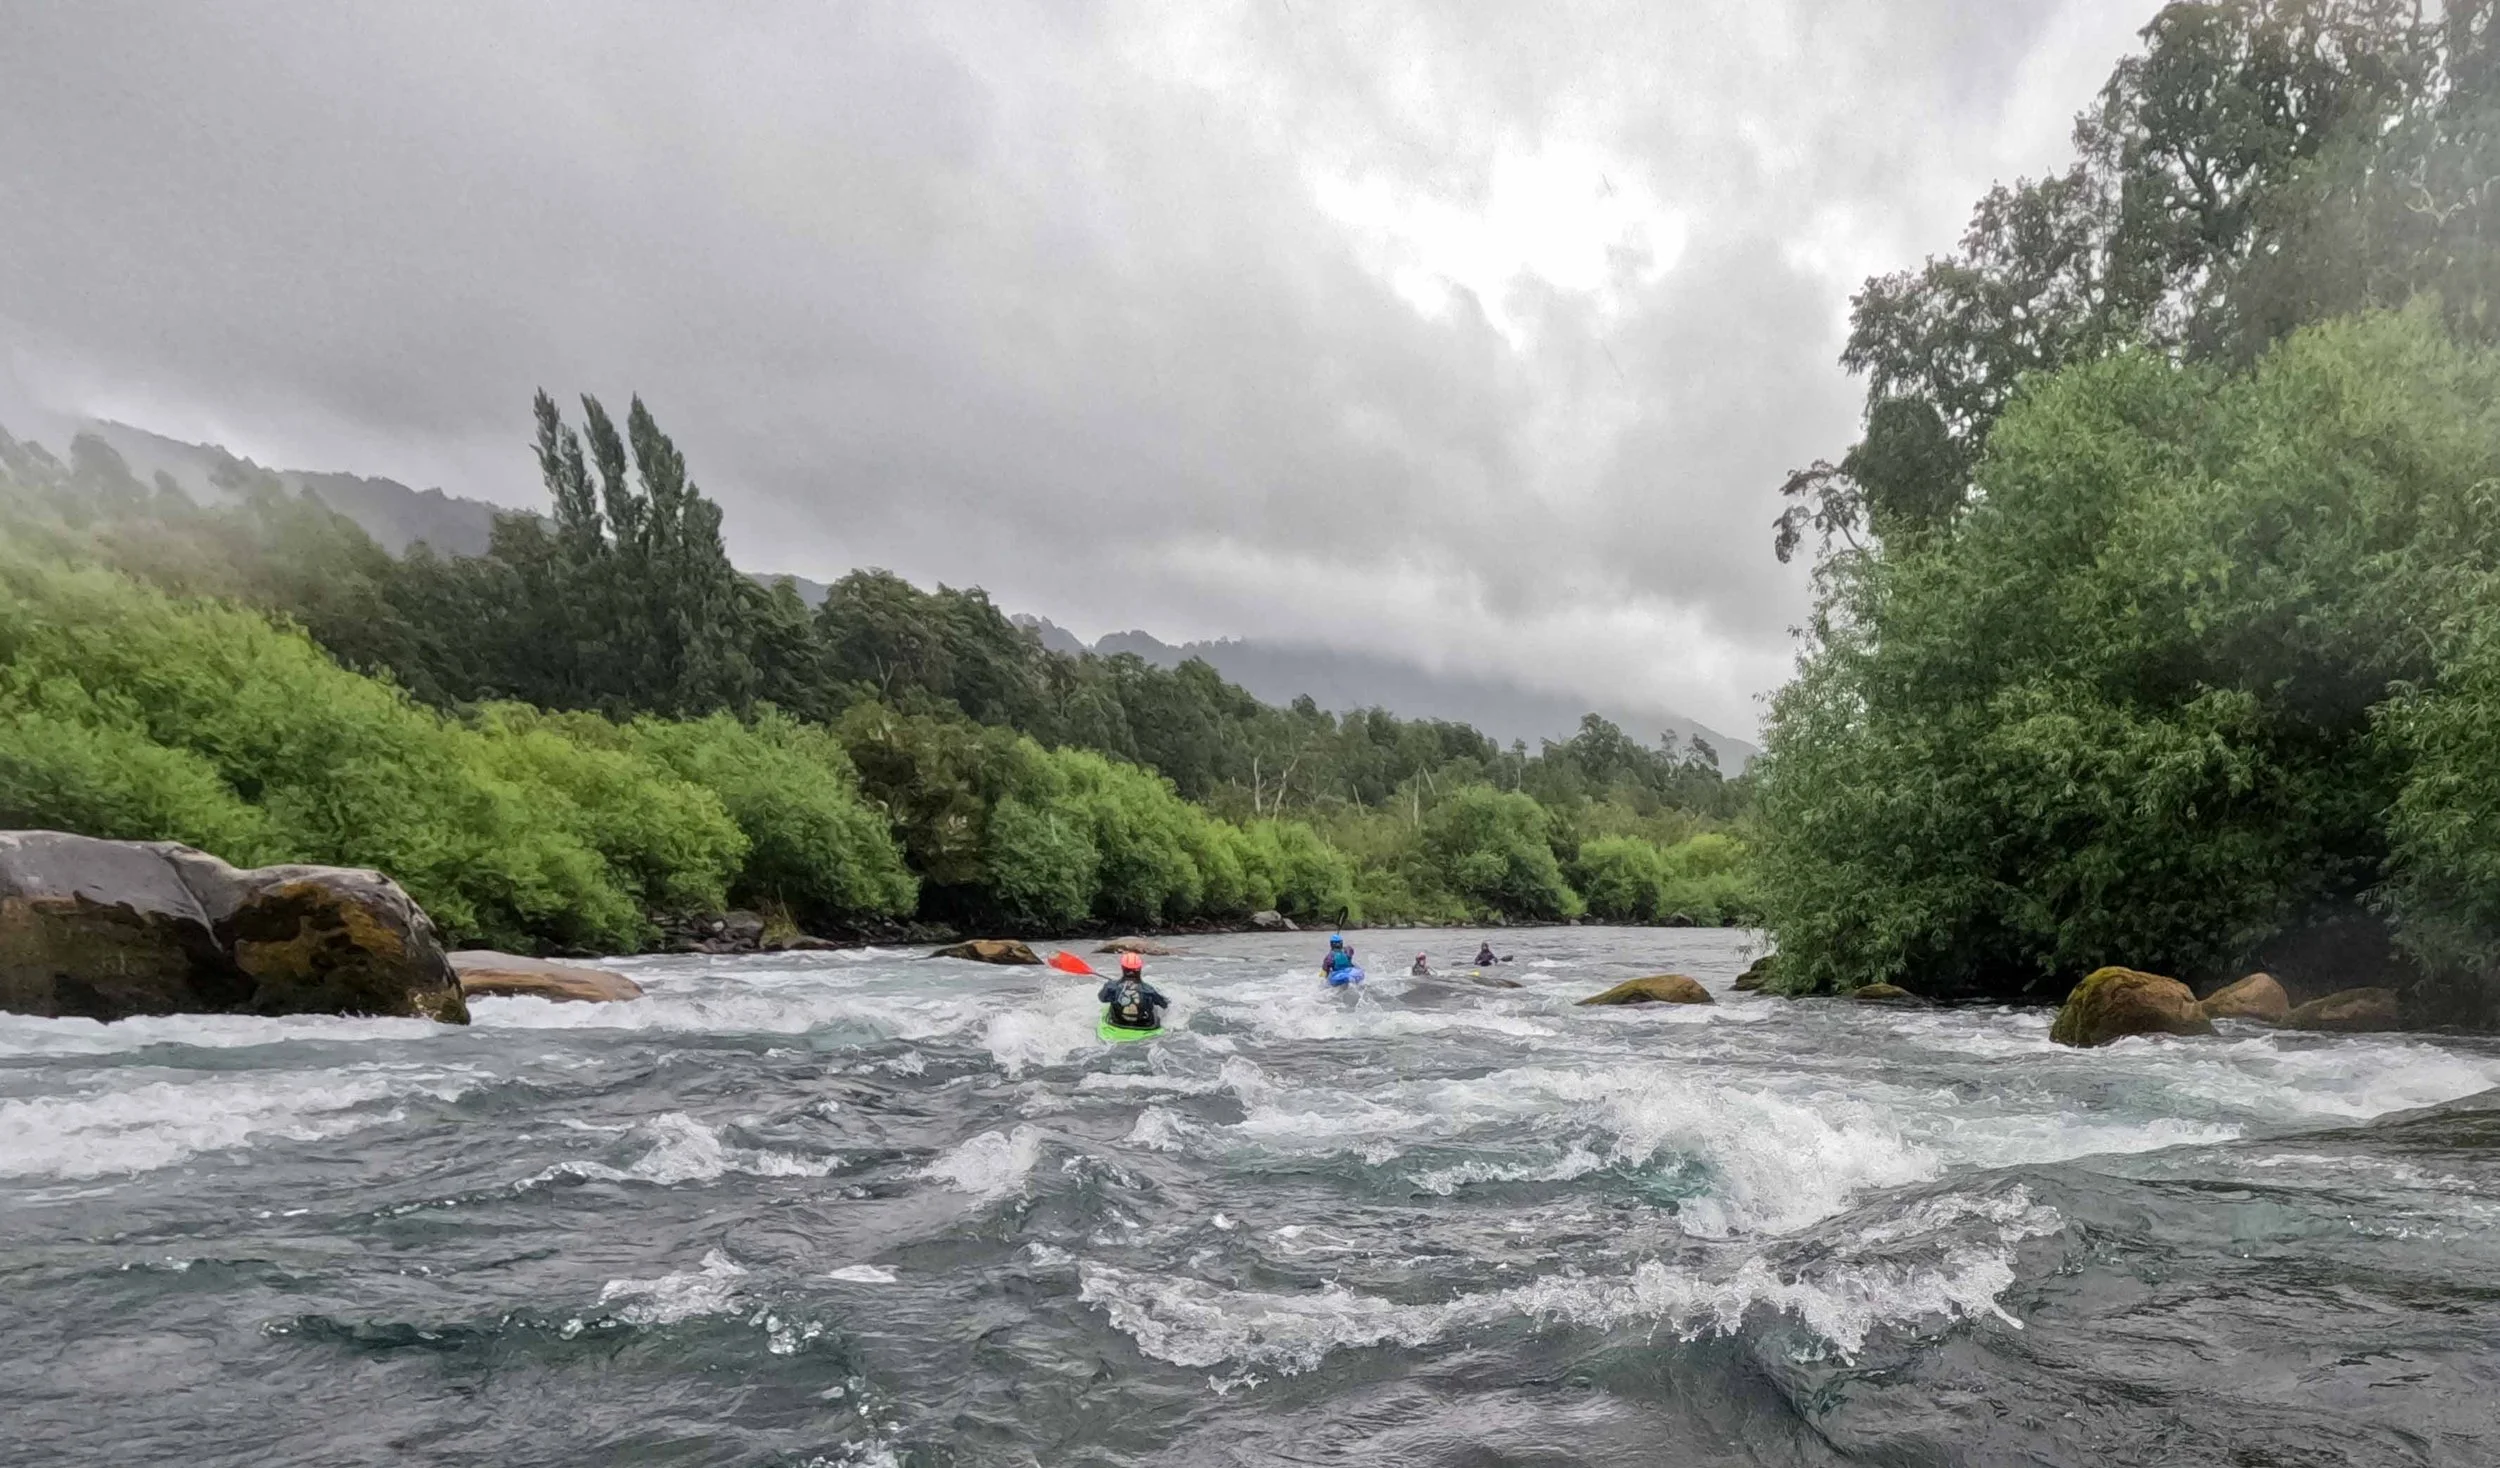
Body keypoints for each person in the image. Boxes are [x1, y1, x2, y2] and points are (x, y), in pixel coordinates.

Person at [1098, 952, 1169, 1031]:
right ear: (1140, 969)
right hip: (1145, 1027)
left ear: (1122, 968)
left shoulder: (1111, 986)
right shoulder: (1149, 990)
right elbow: (1165, 1004)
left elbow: (1102, 998)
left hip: (1117, 1024)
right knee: (1154, 1006)